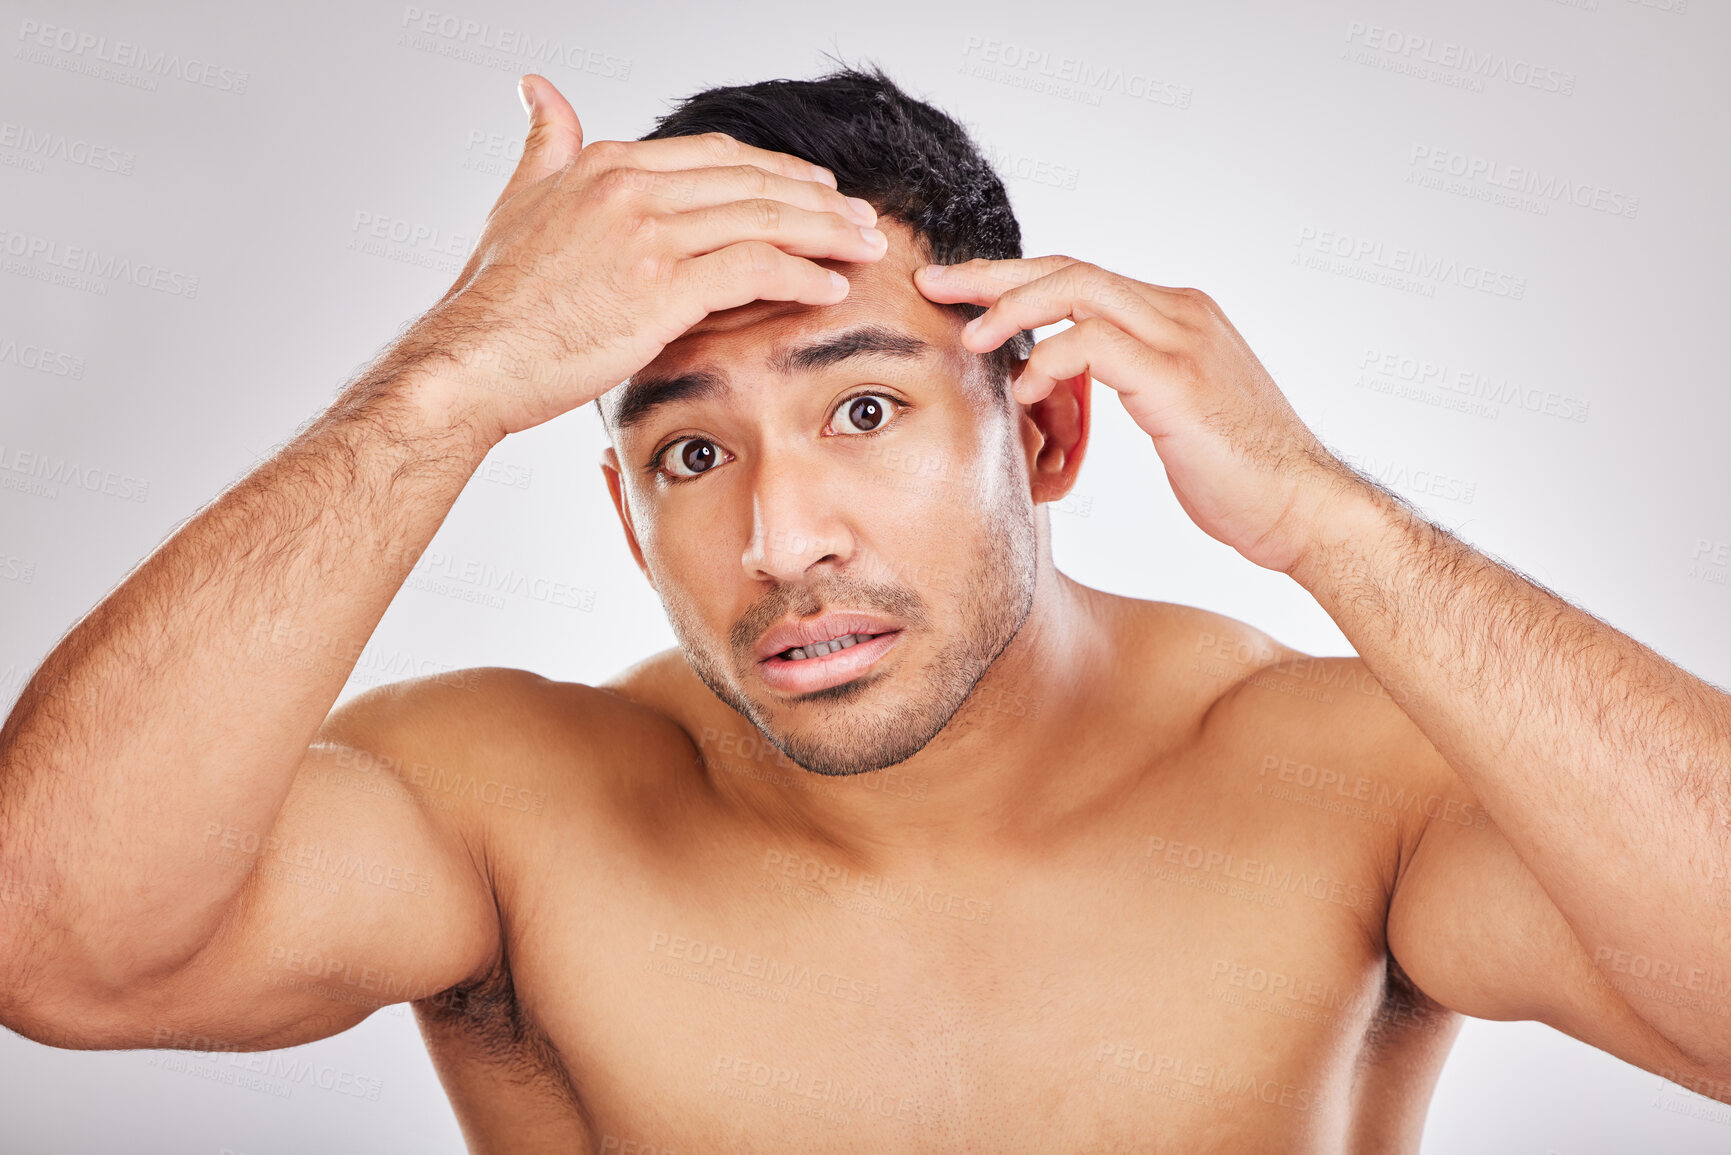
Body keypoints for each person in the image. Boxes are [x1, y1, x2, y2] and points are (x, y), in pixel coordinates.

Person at [2, 64, 1727, 1153]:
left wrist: (1334, 521)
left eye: (866, 409)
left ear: (1041, 431)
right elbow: (57, 949)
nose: (778, 537)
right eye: (690, 456)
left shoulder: (1341, 780)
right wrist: (444, 391)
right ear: (626, 520)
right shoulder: (506, 810)